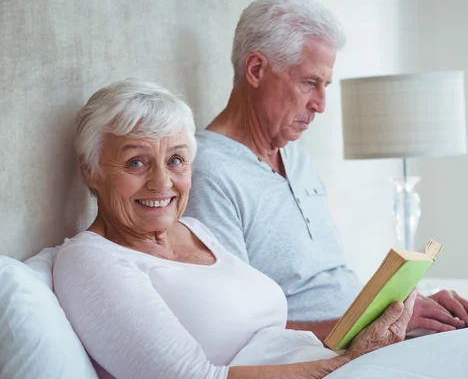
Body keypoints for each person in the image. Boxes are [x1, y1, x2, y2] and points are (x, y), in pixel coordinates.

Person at [52, 79, 418, 379]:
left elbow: (267, 335)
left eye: (176, 159)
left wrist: (362, 328)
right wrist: (350, 364)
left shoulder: (196, 229)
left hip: (333, 364)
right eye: (136, 162)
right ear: (91, 170)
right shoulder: (89, 259)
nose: (162, 182)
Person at [185, 0, 468, 342]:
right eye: (309, 82)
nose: (320, 104)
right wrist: (373, 326)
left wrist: (403, 309)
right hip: (322, 358)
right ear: (256, 69)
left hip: (368, 340)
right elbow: (236, 332)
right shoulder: (208, 173)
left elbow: (327, 282)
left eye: (325, 85)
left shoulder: (295, 155)